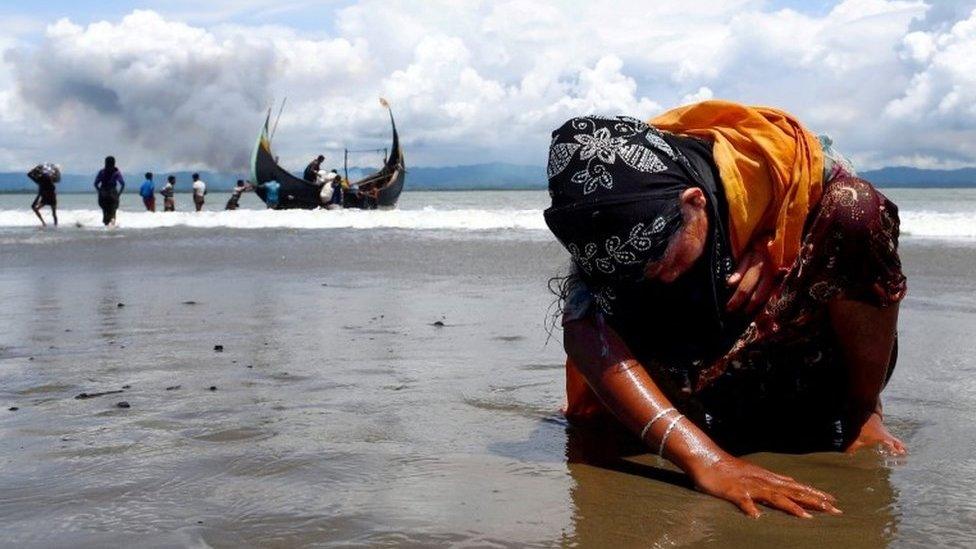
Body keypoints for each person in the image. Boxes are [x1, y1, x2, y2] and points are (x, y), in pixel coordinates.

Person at [544, 102, 906, 519]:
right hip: (698, 377)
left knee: (855, 207)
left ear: (694, 202)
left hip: (802, 361)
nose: (654, 277)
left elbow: (857, 246)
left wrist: (776, 239)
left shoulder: (791, 164)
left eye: (659, 260)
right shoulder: (608, 215)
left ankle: (863, 412)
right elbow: (584, 329)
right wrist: (706, 460)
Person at [93, 156, 125, 226]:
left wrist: (100, 192)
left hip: (103, 193)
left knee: (105, 213)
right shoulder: (116, 172)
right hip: (113, 193)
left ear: (105, 163)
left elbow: (95, 184)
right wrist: (118, 194)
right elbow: (122, 184)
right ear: (114, 163)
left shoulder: (102, 172)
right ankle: (112, 230)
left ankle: (106, 231)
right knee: (113, 212)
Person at [28, 163, 60, 227]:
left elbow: (29, 174)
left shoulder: (40, 180)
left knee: (36, 209)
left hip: (47, 197)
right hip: (48, 197)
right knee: (53, 213)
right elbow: (57, 179)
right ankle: (53, 225)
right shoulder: (45, 179)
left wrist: (36, 168)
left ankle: (45, 223)